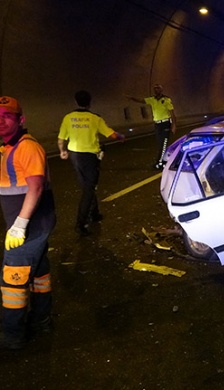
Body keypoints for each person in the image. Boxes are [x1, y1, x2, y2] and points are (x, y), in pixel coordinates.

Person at [0, 96, 57, 349]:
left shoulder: (27, 147)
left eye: (7, 116)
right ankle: (41, 320)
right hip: (34, 224)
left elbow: (35, 187)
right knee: (39, 273)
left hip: (29, 226)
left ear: (20, 120)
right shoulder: (8, 148)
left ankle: (11, 334)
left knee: (13, 279)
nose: (1, 121)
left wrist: (20, 224)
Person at [58, 90, 125, 236]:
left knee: (86, 184)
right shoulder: (95, 118)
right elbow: (111, 134)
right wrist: (121, 137)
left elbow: (61, 138)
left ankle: (95, 213)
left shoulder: (68, 118)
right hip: (89, 156)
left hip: (74, 155)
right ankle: (80, 223)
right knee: (89, 188)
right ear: (89, 103)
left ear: (76, 102)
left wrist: (62, 151)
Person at [126, 84, 177, 170]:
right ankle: (165, 159)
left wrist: (174, 125)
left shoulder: (166, 100)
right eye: (155, 89)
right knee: (160, 144)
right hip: (157, 124)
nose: (156, 90)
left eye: (158, 88)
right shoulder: (152, 100)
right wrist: (131, 98)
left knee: (163, 144)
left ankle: (159, 163)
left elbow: (172, 113)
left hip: (165, 124)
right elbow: (142, 100)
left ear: (161, 90)